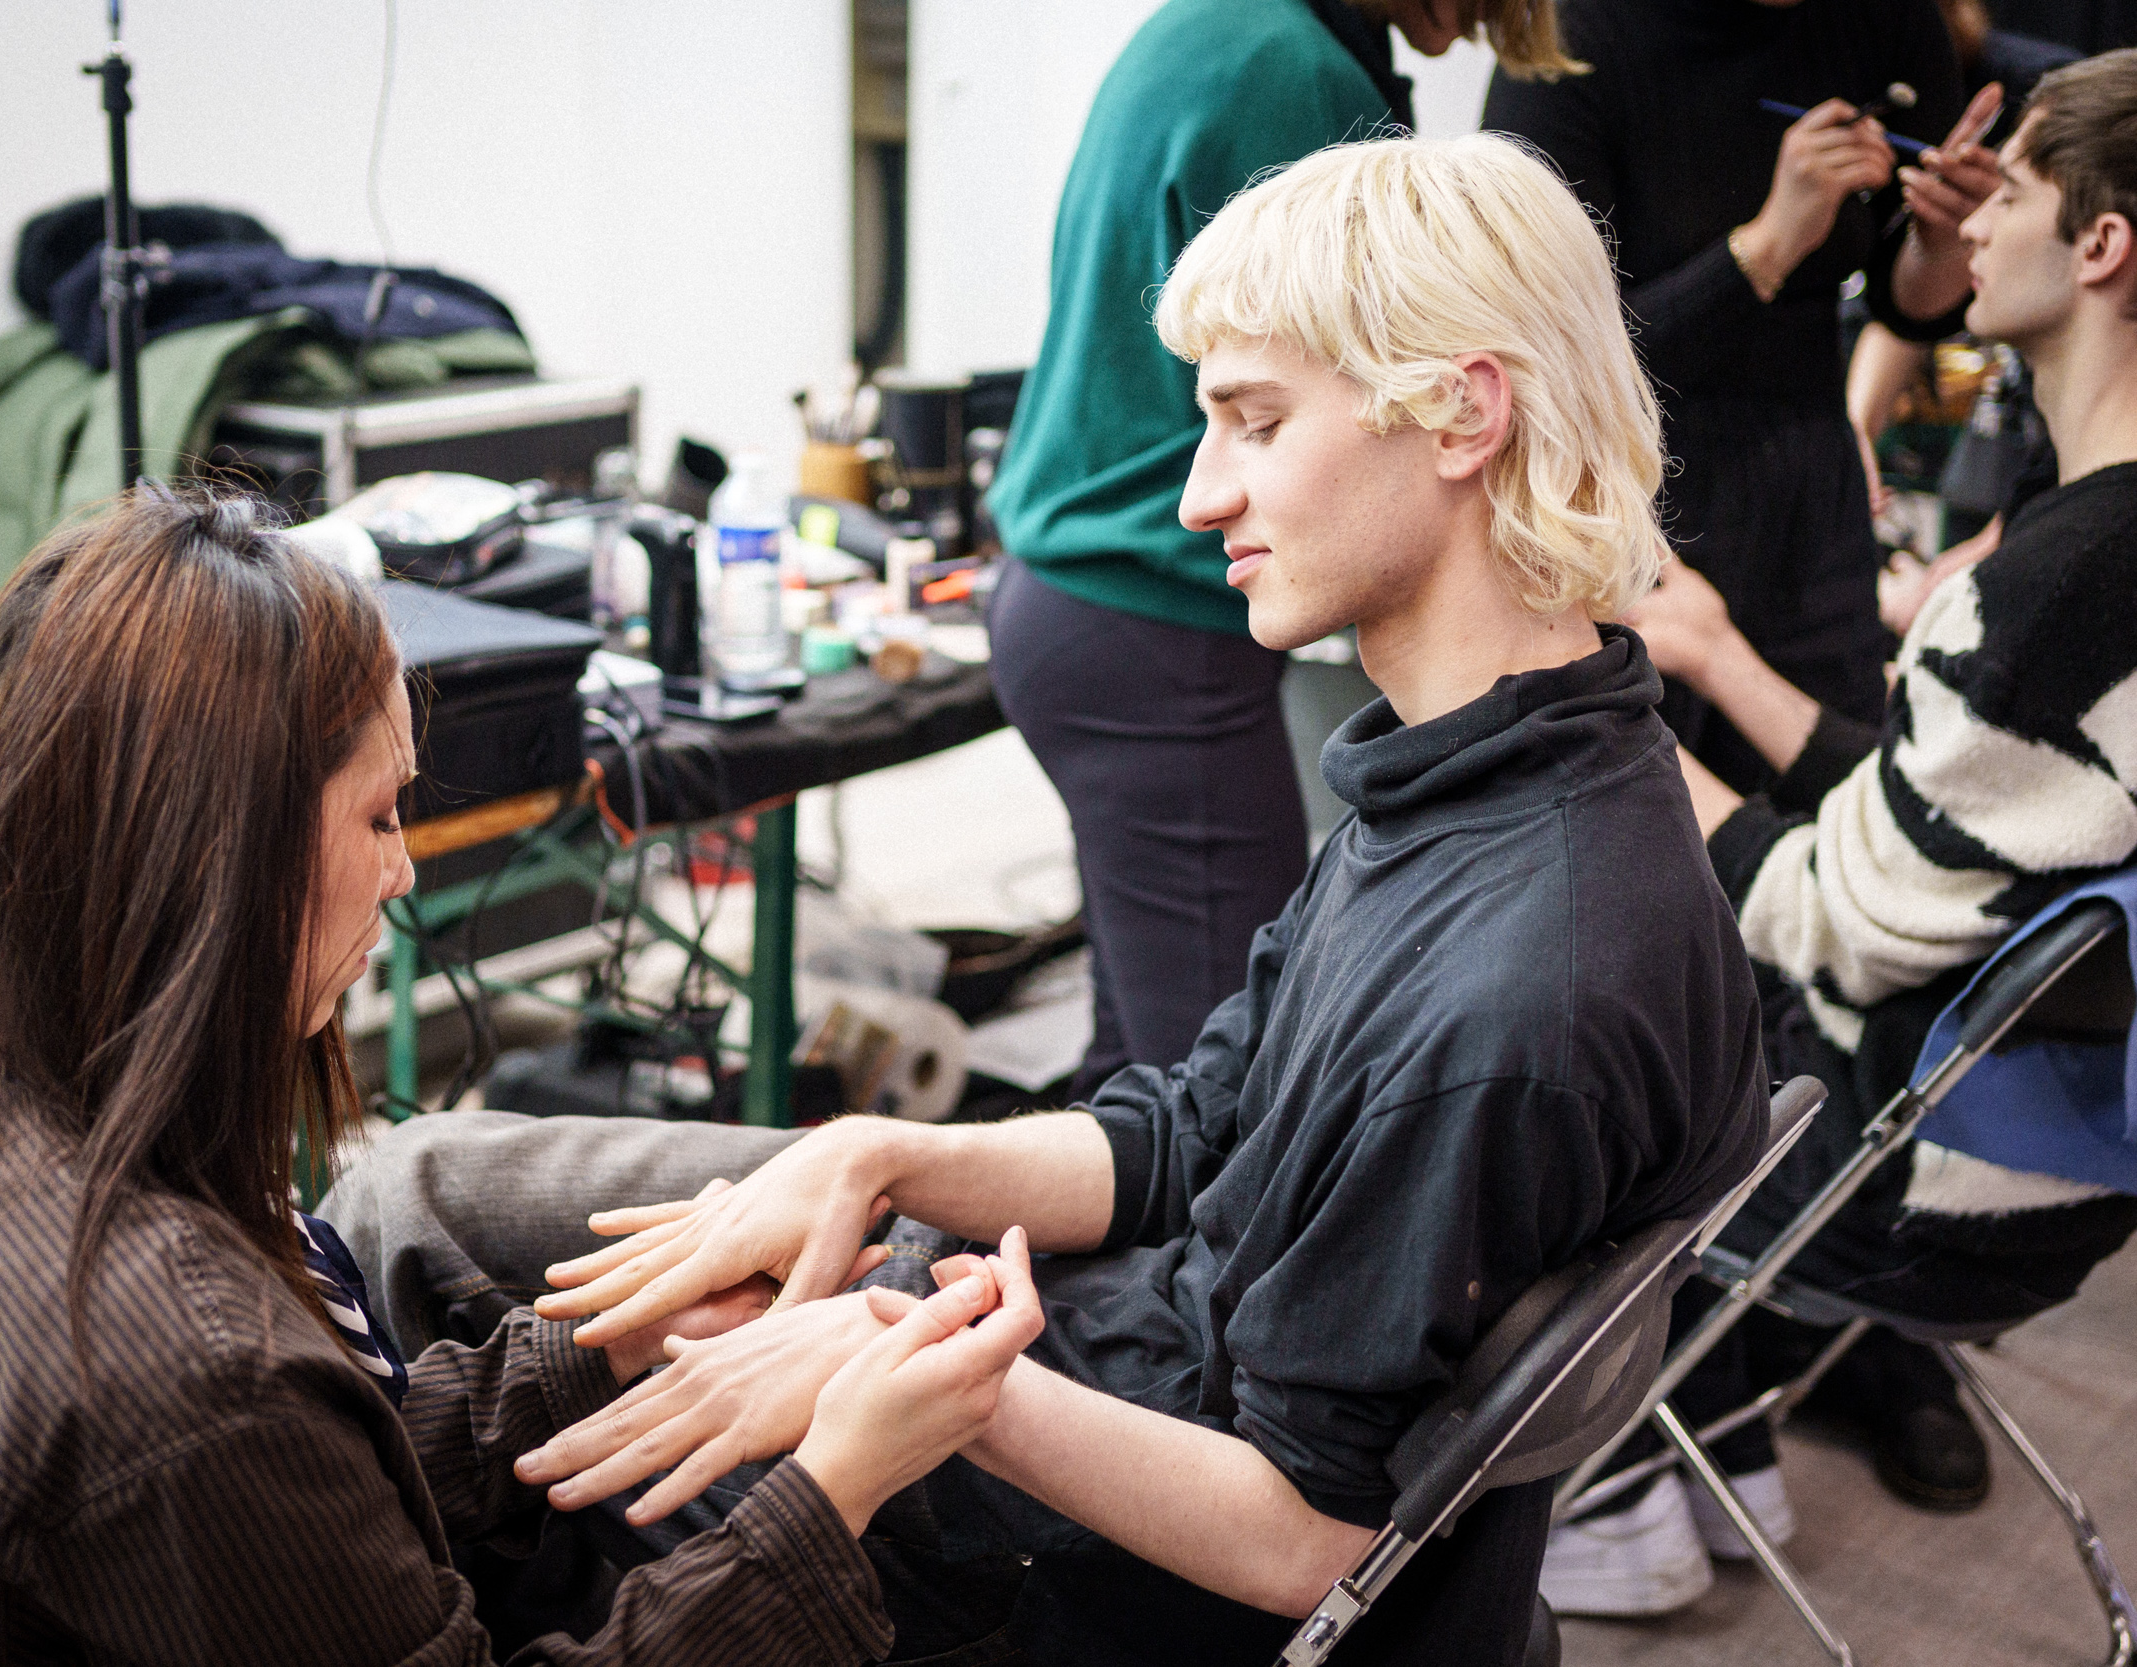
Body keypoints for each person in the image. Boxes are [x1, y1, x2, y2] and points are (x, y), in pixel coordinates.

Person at [327, 133, 1770, 1667]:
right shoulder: (1491, 773)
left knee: (416, 1237)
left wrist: (912, 1370)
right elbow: (1193, 1125)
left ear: (1463, 413)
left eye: (1256, 422)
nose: (1202, 496)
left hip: (1064, 1536)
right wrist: (887, 1150)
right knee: (423, 1183)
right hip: (1060, 1341)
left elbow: (1310, 1536)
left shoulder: (1512, 991)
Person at [0, 487, 1045, 1666]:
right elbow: (241, 1454)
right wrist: (832, 1485)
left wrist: (599, 1346)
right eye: (382, 814)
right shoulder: (170, 1360)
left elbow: (297, 1507)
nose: (402, 867)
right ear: (225, 851)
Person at [1589, 47, 2137, 1614]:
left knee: (1556, 1019)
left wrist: (1602, 716)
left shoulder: (2049, 588)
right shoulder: (2082, 565)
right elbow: (1958, 821)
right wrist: (1711, 663)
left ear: (2101, 246)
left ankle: (1605, 1487)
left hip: (1924, 1186)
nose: (1970, 225)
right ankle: (1726, 1423)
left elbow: (1831, 912)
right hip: (2068, 1150)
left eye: (2012, 190)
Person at [984, 0, 1579, 1096]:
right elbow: (1339, 384)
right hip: (1142, 624)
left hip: (1074, 603)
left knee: (1140, 1061)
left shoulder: (1216, 25)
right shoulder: (1288, 73)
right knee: (1229, 1089)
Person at [1484, 0, 2002, 795]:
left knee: (1831, 807)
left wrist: (1945, 237)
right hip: (1623, 498)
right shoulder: (1574, 37)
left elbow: (1910, 302)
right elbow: (1545, 363)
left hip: (1806, 496)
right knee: (1630, 809)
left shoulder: (1890, 25)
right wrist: (1765, 247)